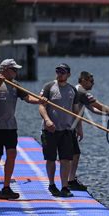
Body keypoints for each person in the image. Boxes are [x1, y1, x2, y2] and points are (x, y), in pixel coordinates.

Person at [0, 59, 47, 199]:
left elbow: (28, 98)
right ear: (4, 69)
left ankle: (6, 187)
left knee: (12, 154)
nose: (16, 72)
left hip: (10, 126)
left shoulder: (15, 85)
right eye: (14, 69)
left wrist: (40, 100)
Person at [68, 71, 109, 191]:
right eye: (91, 81)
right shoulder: (81, 92)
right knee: (73, 154)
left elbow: (93, 109)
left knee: (75, 154)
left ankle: (70, 179)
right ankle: (70, 181)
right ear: (83, 80)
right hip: (67, 127)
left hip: (71, 127)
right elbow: (99, 106)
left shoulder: (79, 91)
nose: (93, 84)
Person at [39, 63, 81, 197]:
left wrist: (79, 128)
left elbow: (76, 112)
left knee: (66, 159)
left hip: (66, 130)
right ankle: (52, 185)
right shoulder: (48, 87)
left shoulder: (72, 90)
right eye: (58, 71)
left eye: (63, 72)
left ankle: (64, 187)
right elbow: (41, 106)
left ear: (68, 74)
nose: (60, 74)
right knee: (51, 159)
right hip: (50, 130)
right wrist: (47, 120)